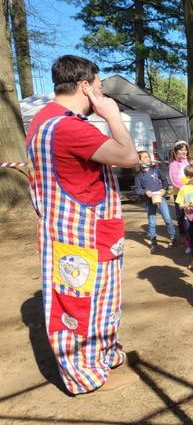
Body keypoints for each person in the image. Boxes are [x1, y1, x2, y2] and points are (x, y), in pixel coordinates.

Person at [26, 55, 139, 394]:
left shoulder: (43, 120)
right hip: (85, 232)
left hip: (71, 231)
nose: (103, 96)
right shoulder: (70, 127)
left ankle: (101, 355)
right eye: (100, 89)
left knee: (87, 301)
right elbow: (129, 157)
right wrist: (113, 117)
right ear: (85, 86)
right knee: (84, 304)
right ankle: (84, 371)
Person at [134, 150, 177, 252]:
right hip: (149, 201)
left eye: (148, 156)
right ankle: (154, 243)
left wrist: (164, 189)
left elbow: (164, 181)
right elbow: (137, 189)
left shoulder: (156, 170)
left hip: (160, 197)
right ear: (139, 161)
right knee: (152, 222)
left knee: (167, 219)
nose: (148, 158)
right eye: (144, 157)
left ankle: (173, 237)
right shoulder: (138, 175)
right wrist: (145, 192)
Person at [169, 141, 191, 249]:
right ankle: (184, 236)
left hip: (192, 194)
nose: (184, 151)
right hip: (180, 194)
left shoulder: (189, 162)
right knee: (181, 216)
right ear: (175, 152)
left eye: (185, 149)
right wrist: (188, 185)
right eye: (181, 150)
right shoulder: (173, 164)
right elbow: (175, 180)